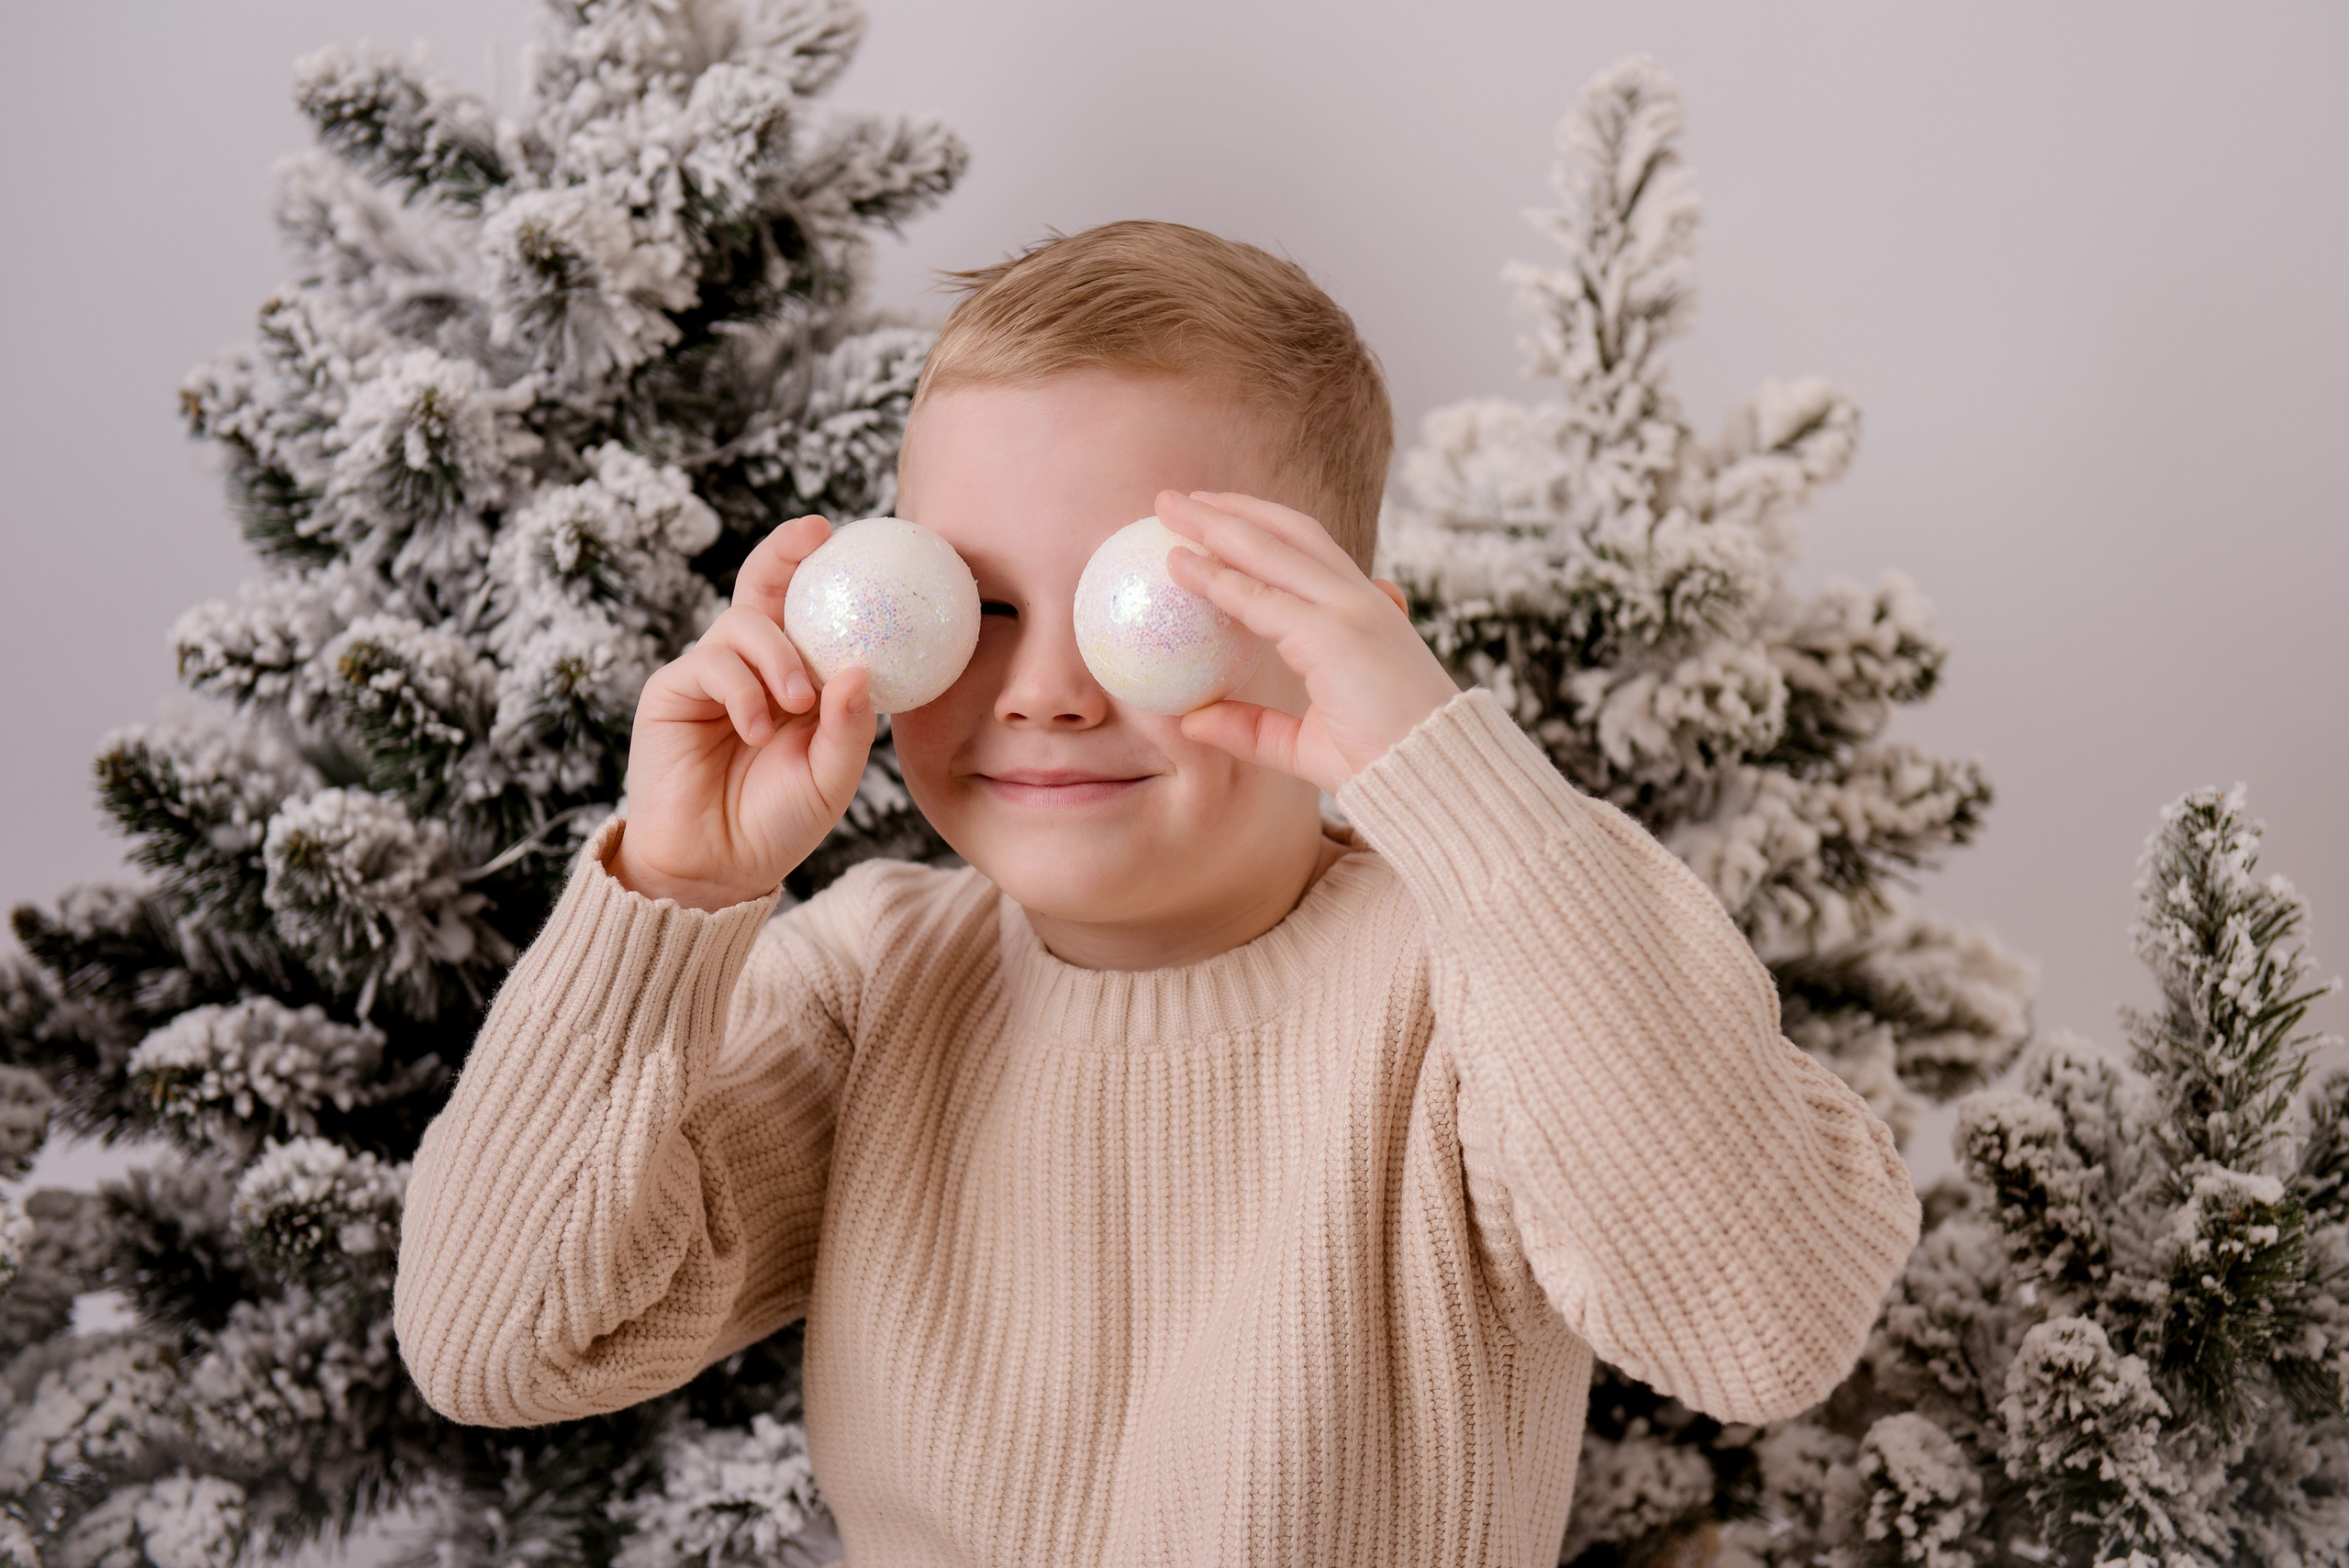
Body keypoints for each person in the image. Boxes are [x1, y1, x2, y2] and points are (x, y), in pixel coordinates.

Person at [393, 219, 1921, 1567]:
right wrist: (671, 886)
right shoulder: (871, 985)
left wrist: (1456, 781)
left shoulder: (1471, 977)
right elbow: (500, 1342)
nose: (1047, 691)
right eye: (974, 607)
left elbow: (1765, 1318)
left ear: (1344, 642)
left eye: (1152, 608)